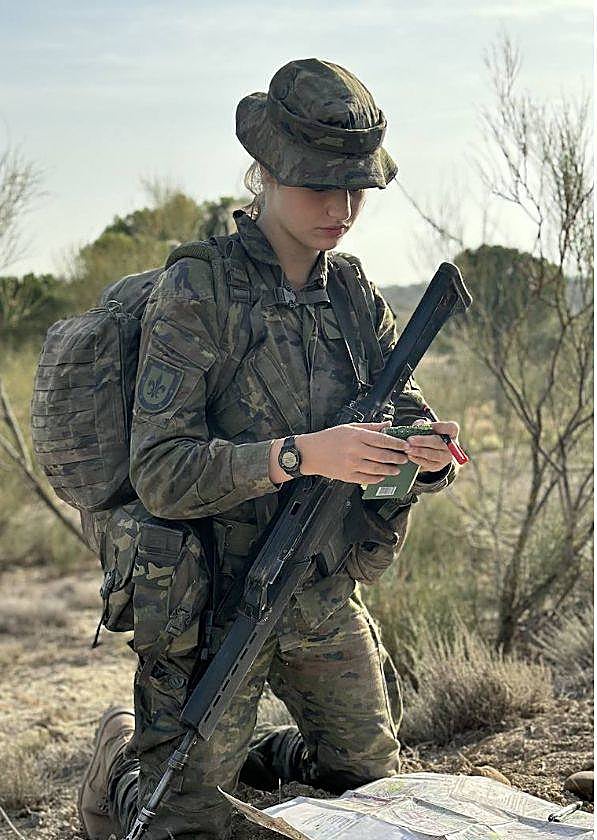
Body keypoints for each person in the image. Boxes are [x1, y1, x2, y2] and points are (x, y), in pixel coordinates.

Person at [77, 58, 462, 840]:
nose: (342, 207)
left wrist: (422, 455)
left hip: (318, 585)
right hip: (214, 599)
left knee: (369, 792)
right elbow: (161, 471)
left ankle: (267, 758)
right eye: (321, 185)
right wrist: (301, 455)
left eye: (356, 188)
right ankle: (118, 773)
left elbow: (404, 415)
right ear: (267, 174)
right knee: (176, 826)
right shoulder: (199, 290)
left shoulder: (352, 292)